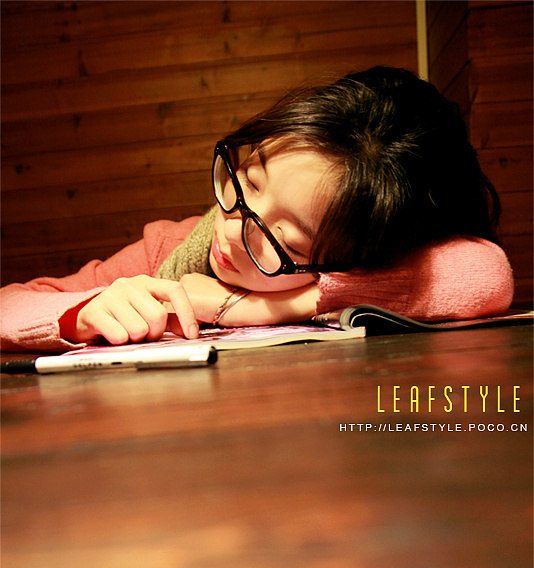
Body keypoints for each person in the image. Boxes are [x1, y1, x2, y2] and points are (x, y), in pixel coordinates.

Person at [1, 66, 513, 353]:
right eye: (248, 179)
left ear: (357, 260)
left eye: (282, 241)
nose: (229, 232)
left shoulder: (371, 263)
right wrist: (81, 314)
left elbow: (485, 274)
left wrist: (253, 308)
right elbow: (9, 304)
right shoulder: (172, 250)